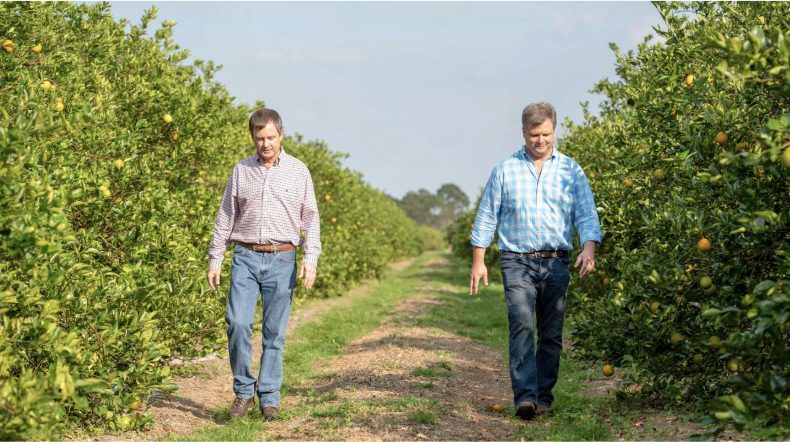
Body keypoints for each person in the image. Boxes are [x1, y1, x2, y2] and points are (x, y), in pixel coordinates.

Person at [468, 102, 602, 420]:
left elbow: (586, 214)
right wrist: (478, 261)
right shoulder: (505, 170)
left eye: (545, 134)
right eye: (533, 134)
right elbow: (486, 217)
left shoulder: (571, 170)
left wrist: (589, 249)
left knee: (552, 333)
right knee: (521, 324)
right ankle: (525, 398)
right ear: (523, 132)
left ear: (554, 130)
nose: (540, 140)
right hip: (516, 260)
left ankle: (544, 397)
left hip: (556, 261)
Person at [206, 108, 321, 420]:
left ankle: (269, 396)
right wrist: (215, 257)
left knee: (274, 332)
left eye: (271, 137)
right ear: (252, 138)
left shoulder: (299, 171)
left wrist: (310, 258)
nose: (265, 144)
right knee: (238, 323)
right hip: (245, 255)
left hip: (283, 258)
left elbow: (310, 219)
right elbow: (226, 215)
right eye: (260, 138)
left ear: (281, 135)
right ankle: (244, 392)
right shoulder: (241, 171)